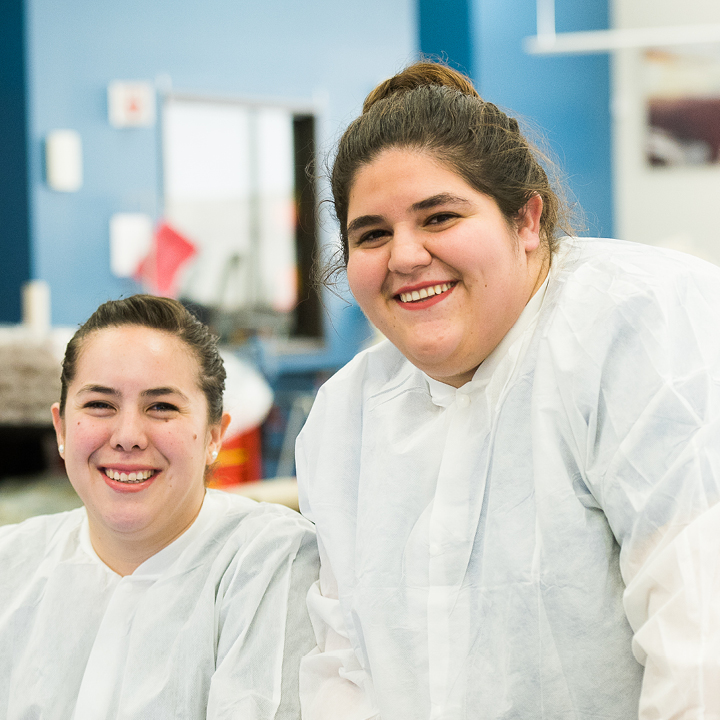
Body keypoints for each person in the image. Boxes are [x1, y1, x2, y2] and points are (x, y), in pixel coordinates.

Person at [295, 61, 720, 719]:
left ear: (526, 220)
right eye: (372, 234)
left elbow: (700, 644)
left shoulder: (639, 326)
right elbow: (343, 669)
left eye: (439, 217)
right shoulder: (346, 415)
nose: (404, 256)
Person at [0, 295, 319, 719]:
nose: (127, 436)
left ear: (214, 436)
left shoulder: (270, 564)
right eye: (100, 405)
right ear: (61, 428)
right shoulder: (12, 564)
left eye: (162, 407)